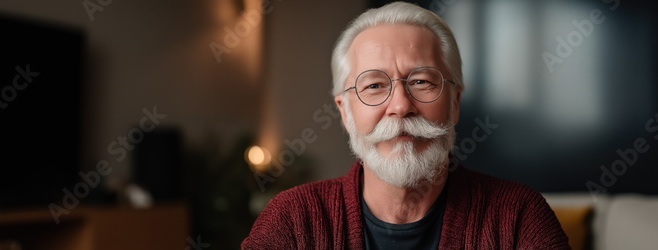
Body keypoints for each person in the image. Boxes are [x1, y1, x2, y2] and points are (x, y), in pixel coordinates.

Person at [242, 2, 570, 249]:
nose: (400, 106)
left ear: (454, 102)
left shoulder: (519, 216)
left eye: (422, 81)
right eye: (373, 86)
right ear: (345, 113)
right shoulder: (291, 220)